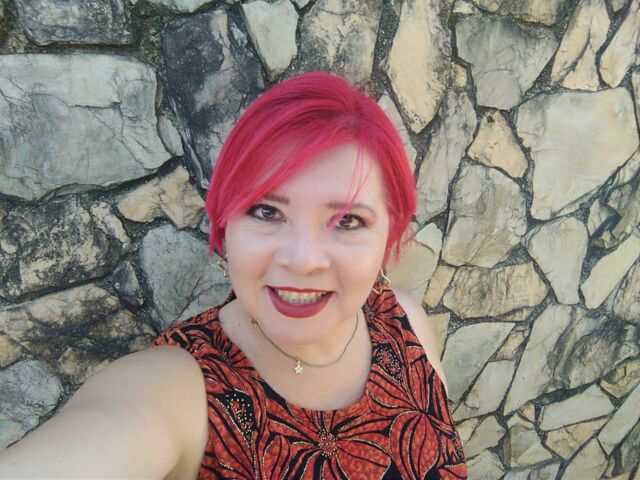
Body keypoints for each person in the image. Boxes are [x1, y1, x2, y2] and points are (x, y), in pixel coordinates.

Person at [0, 72, 468, 479]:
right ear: (226, 227)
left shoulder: (406, 323)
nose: (303, 260)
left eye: (347, 220)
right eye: (266, 211)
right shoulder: (181, 389)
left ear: (389, 234)